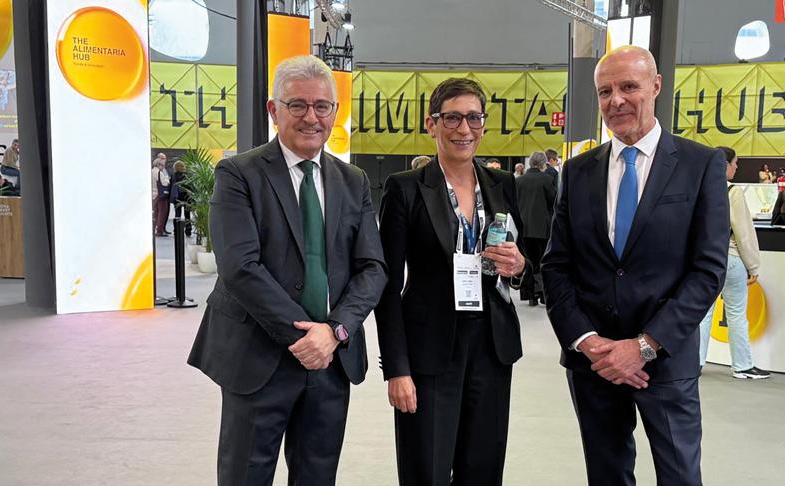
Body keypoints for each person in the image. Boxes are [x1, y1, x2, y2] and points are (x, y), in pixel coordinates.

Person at [187, 55, 387, 486]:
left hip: (330, 360)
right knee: (246, 475)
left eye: (322, 106)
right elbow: (240, 268)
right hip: (257, 357)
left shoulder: (353, 181)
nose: (311, 117)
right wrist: (306, 337)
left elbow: (373, 268)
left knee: (317, 476)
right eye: (297, 105)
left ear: (335, 111)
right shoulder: (238, 174)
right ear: (273, 110)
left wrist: (334, 332)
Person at [541, 45, 728, 486]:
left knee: (680, 474)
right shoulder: (577, 171)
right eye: (605, 91)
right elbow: (556, 266)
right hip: (595, 363)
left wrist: (643, 346)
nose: (616, 100)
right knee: (606, 474)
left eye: (629, 87)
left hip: (664, 361)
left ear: (656, 86)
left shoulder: (700, 165)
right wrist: (587, 342)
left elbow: (707, 270)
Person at [376, 77, 530, 485]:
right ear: (432, 124)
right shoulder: (405, 189)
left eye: (474, 118)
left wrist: (518, 265)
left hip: (492, 346)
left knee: (482, 468)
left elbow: (520, 258)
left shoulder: (503, 185)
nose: (464, 129)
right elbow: (387, 286)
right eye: (453, 118)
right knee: (425, 467)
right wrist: (397, 368)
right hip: (429, 349)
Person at [698, 147, 769, 379]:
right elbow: (743, 232)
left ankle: (695, 363)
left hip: (703, 258)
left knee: (703, 313)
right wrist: (754, 265)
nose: (737, 167)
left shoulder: (698, 188)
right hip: (730, 256)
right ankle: (742, 366)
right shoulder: (732, 192)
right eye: (735, 163)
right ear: (726, 164)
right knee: (737, 312)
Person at [516, 150, 556, 306]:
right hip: (542, 228)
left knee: (526, 261)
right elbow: (554, 202)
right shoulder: (547, 180)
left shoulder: (519, 181)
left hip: (523, 228)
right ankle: (543, 294)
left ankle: (530, 295)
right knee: (542, 261)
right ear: (543, 163)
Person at [151, 154, 171, 236]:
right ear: (159, 165)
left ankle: (152, 229)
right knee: (162, 213)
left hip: (153, 194)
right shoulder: (159, 173)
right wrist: (167, 178)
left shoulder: (151, 171)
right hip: (160, 195)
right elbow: (165, 183)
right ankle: (159, 230)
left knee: (155, 213)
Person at [171, 160, 192, 236]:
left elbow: (171, 186)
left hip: (177, 197)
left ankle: (176, 230)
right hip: (186, 197)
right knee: (187, 215)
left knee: (177, 215)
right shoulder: (186, 175)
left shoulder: (173, 175)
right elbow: (189, 186)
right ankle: (188, 231)